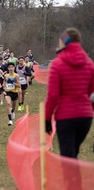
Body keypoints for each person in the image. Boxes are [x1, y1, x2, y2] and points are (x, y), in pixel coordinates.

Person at [45, 28, 94, 159]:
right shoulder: (89, 63)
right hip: (85, 117)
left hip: (66, 116)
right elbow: (92, 94)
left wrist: (47, 118)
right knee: (73, 154)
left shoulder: (57, 64)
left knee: (67, 157)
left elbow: (53, 95)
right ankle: (74, 179)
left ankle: (72, 179)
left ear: (64, 42)